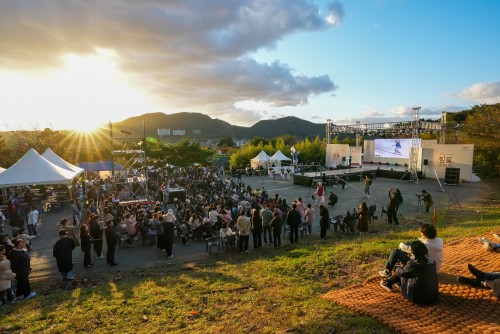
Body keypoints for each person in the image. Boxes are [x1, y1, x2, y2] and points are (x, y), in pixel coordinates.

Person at [380, 240, 439, 305]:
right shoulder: (432, 262)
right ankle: (394, 282)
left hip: (417, 298)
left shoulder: (413, 264)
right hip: (433, 297)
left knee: (402, 271)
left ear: (413, 252)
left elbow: (402, 273)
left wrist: (396, 268)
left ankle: (388, 283)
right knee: (409, 272)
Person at [379, 223, 443, 277]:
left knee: (396, 251)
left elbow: (406, 248)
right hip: (434, 270)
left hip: (422, 271)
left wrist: (401, 244)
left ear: (424, 234)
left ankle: (388, 271)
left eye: (421, 232)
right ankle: (397, 264)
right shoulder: (439, 241)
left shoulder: (424, 245)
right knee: (407, 243)